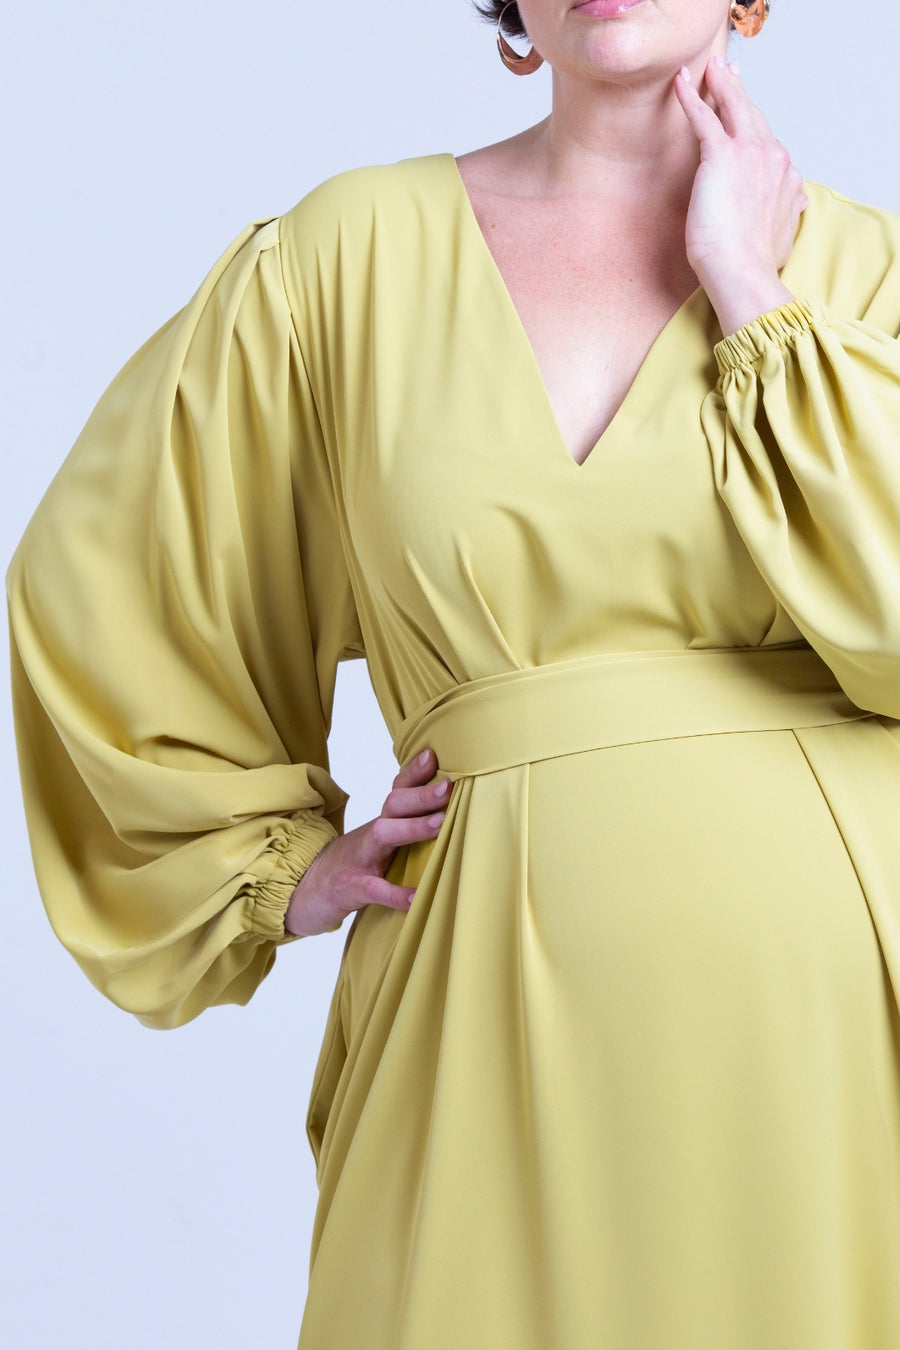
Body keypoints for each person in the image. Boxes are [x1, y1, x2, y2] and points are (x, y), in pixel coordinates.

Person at [9, 0, 900, 1345]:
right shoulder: (346, 262)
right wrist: (266, 866)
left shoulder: (861, 275)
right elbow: (106, 578)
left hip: (815, 1026)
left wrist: (749, 292)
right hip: (476, 987)